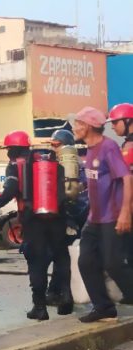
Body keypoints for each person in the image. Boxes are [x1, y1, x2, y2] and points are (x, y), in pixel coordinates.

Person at [0, 130, 73, 320]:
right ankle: (66, 297)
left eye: (8, 148)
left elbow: (10, 190)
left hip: (33, 219)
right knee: (61, 256)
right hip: (57, 216)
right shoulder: (51, 161)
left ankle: (40, 307)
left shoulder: (14, 166)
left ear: (14, 149)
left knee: (37, 262)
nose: (7, 152)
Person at [72, 106, 133, 322]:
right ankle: (104, 308)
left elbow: (126, 178)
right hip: (94, 218)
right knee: (86, 261)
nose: (75, 127)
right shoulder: (89, 150)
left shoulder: (108, 147)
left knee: (113, 264)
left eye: (78, 123)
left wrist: (125, 213)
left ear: (88, 126)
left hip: (111, 216)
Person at [45, 130, 88, 306]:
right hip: (76, 216)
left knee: (62, 257)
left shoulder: (68, 164)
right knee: (63, 256)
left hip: (68, 216)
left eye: (55, 145)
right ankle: (58, 291)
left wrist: (69, 218)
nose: (52, 148)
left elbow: (70, 195)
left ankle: (60, 293)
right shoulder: (79, 163)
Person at [106, 103, 133, 264]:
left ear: (128, 121)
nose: (113, 127)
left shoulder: (129, 148)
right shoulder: (126, 145)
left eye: (116, 122)